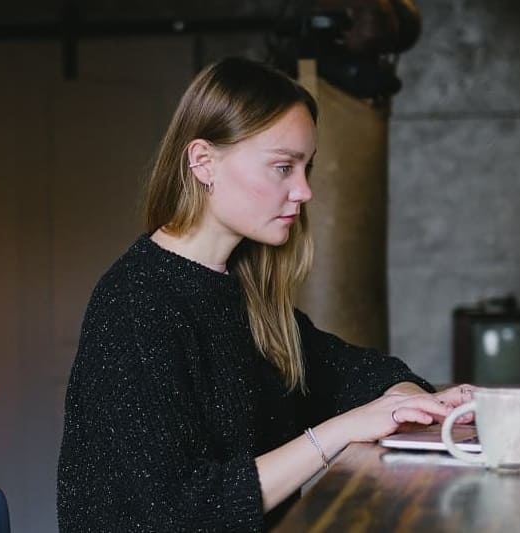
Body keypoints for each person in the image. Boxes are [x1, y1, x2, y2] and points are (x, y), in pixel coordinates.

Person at [56, 57, 472, 532]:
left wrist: (415, 404)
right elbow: (176, 514)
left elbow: (353, 372)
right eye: (283, 167)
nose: (305, 191)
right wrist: (340, 431)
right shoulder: (135, 305)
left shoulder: (240, 292)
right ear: (203, 162)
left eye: (306, 167)